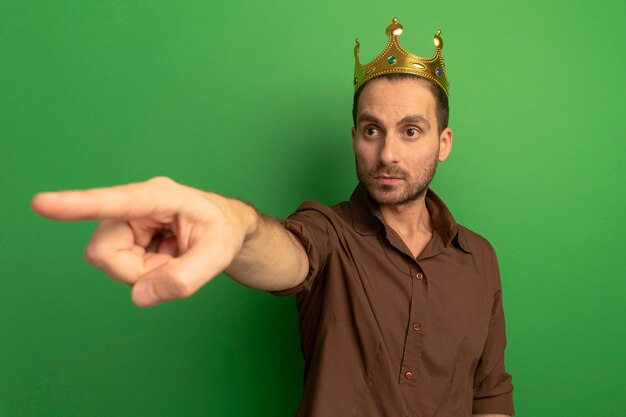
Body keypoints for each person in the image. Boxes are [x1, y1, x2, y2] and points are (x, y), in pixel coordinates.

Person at [32, 17, 514, 417]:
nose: (387, 152)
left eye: (411, 131)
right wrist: (235, 226)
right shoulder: (327, 230)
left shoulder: (479, 259)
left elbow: (489, 394)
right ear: (354, 138)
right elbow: (287, 253)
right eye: (372, 130)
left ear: (442, 144)